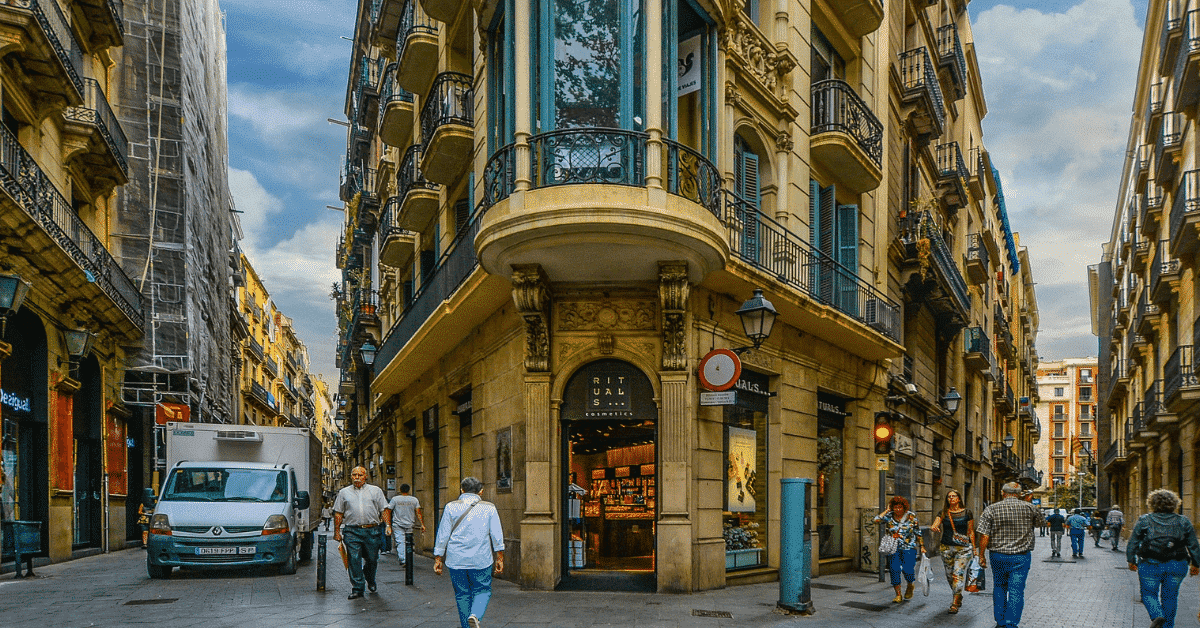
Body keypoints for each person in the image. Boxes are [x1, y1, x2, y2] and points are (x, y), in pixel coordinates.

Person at [434, 477, 505, 628]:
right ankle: (475, 615)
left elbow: (443, 534)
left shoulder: (450, 507)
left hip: (456, 559)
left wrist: (438, 557)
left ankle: (467, 626)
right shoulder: (489, 507)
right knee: (482, 590)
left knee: (462, 593)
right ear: (481, 491)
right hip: (481, 559)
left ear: (462, 490)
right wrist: (500, 557)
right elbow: (496, 534)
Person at [1126, 488, 1200, 628]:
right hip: (1177, 564)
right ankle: (1167, 626)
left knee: (1148, 594)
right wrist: (1196, 564)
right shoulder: (1183, 521)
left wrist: (1131, 560)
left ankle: (1157, 615)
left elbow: (1133, 542)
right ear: (1175, 504)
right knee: (1170, 597)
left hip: (1149, 564)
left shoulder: (1145, 520)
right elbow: (1193, 545)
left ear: (1152, 503)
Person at [977, 482, 1045, 628]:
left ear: (1003, 493)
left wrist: (981, 555)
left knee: (999, 586)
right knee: (1016, 590)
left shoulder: (991, 509)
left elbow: (984, 535)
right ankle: (1011, 623)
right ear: (1020, 494)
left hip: (998, 556)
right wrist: (1028, 503)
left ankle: (1000, 621)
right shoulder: (1030, 508)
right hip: (1021, 556)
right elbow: (1041, 524)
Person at [333, 466, 392, 599]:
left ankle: (369, 578)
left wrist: (388, 525)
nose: (357, 478)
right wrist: (337, 531)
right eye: (354, 475)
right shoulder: (344, 493)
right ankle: (358, 588)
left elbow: (384, 509)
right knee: (354, 559)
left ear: (365, 476)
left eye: (360, 475)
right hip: (352, 531)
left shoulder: (375, 491)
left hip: (372, 530)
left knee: (372, 559)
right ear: (351, 476)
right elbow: (338, 513)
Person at [929, 488, 974, 614]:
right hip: (946, 548)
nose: (951, 498)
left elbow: (970, 531)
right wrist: (934, 527)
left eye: (954, 496)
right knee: (949, 576)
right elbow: (935, 525)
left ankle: (955, 602)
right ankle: (958, 595)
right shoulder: (943, 512)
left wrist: (974, 549)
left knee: (957, 574)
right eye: (949, 497)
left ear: (959, 498)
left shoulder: (967, 512)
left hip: (963, 549)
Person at [873, 495, 925, 603]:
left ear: (904, 507)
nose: (897, 509)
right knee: (894, 570)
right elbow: (876, 520)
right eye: (895, 507)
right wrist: (887, 510)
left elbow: (917, 532)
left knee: (908, 570)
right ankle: (898, 595)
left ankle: (910, 584)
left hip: (909, 547)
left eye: (899, 507)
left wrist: (922, 546)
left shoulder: (911, 516)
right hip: (893, 548)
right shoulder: (889, 516)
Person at [387, 483, 426, 565]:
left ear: (400, 490)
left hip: (397, 524)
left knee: (400, 541)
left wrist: (388, 524)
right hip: (410, 524)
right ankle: (406, 558)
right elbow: (418, 512)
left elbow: (389, 510)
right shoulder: (414, 500)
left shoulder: (395, 499)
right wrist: (422, 524)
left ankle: (403, 559)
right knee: (408, 542)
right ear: (409, 490)